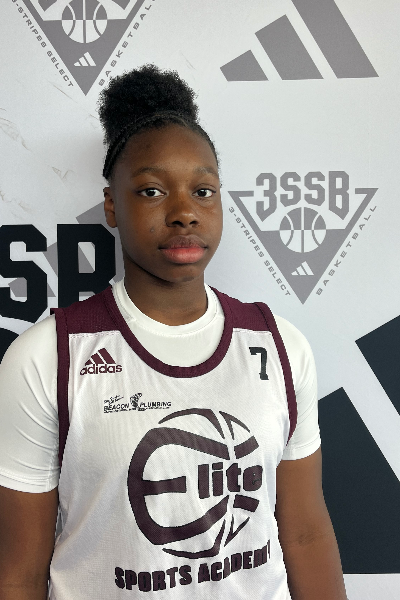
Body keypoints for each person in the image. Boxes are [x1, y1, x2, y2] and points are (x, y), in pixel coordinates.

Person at [0, 64, 347, 600]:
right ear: (111, 206)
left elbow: (304, 534)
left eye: (203, 191)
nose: (185, 212)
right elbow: (19, 573)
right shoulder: (47, 357)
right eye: (152, 191)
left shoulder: (279, 345)